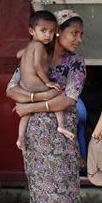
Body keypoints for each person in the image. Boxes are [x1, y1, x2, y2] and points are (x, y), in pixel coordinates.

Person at [6, 9, 85, 203]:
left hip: (60, 140)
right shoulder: (34, 54)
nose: (78, 39)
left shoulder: (75, 63)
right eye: (74, 33)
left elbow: (69, 99)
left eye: (80, 34)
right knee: (40, 197)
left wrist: (28, 108)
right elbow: (12, 89)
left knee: (63, 197)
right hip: (35, 141)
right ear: (58, 32)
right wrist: (34, 101)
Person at [16, 10, 74, 152]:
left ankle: (20, 137)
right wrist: (47, 82)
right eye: (43, 31)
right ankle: (61, 125)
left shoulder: (31, 45)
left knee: (25, 113)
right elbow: (37, 66)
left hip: (24, 86)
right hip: (36, 85)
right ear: (31, 30)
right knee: (60, 94)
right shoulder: (39, 46)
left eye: (52, 31)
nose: (48, 35)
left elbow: (18, 54)